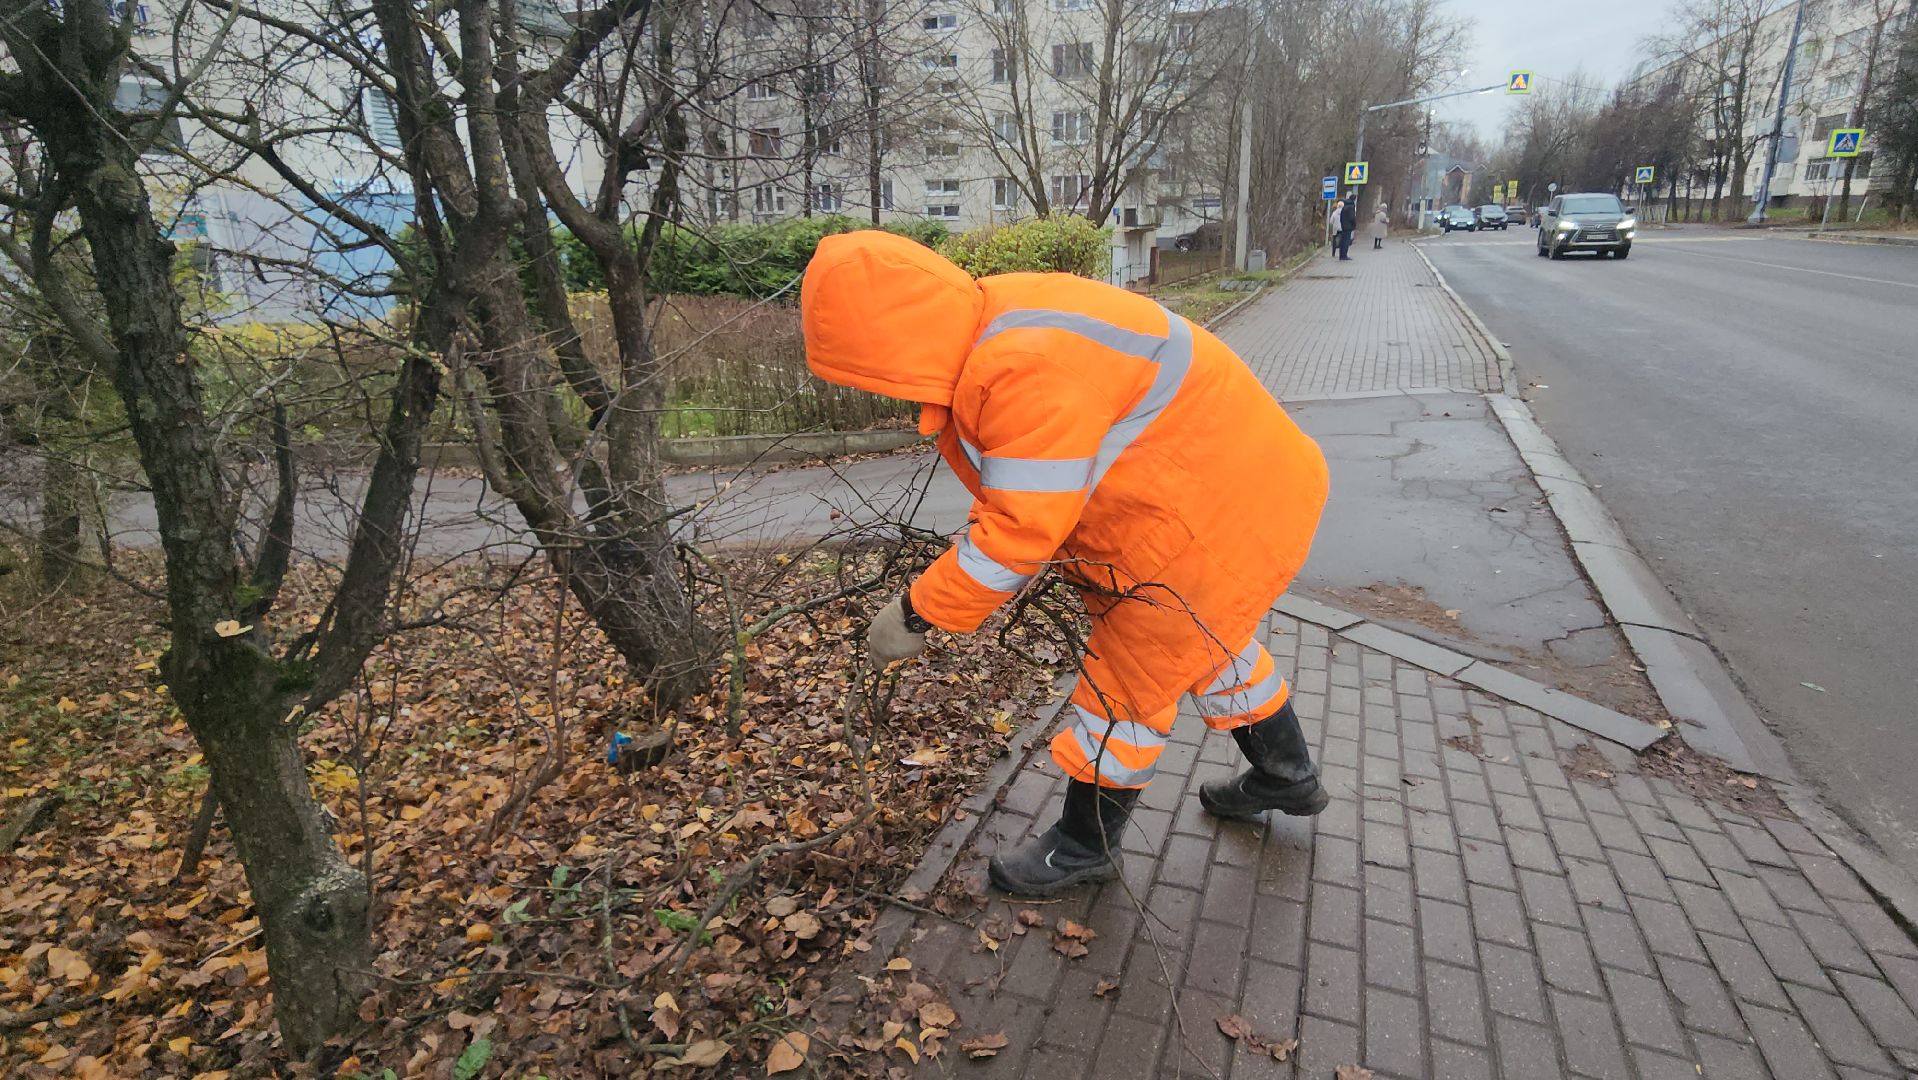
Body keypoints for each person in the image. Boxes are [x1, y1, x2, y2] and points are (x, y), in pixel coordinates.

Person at [801, 231, 1331, 897]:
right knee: (1209, 643)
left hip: (1203, 514)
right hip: (1232, 485)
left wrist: (916, 611)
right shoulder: (994, 317)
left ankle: (1085, 844)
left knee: (1128, 682)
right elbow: (1032, 490)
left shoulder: (1020, 369)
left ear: (888, 345)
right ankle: (1288, 777)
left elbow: (1016, 533)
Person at [1338, 194, 1358, 260]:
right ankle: (1344, 256)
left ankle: (1341, 255)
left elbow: (1341, 217)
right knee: (1346, 241)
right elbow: (1352, 218)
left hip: (1343, 226)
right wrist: (1354, 224)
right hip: (1348, 226)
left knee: (1343, 241)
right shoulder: (1351, 207)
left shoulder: (1345, 206)